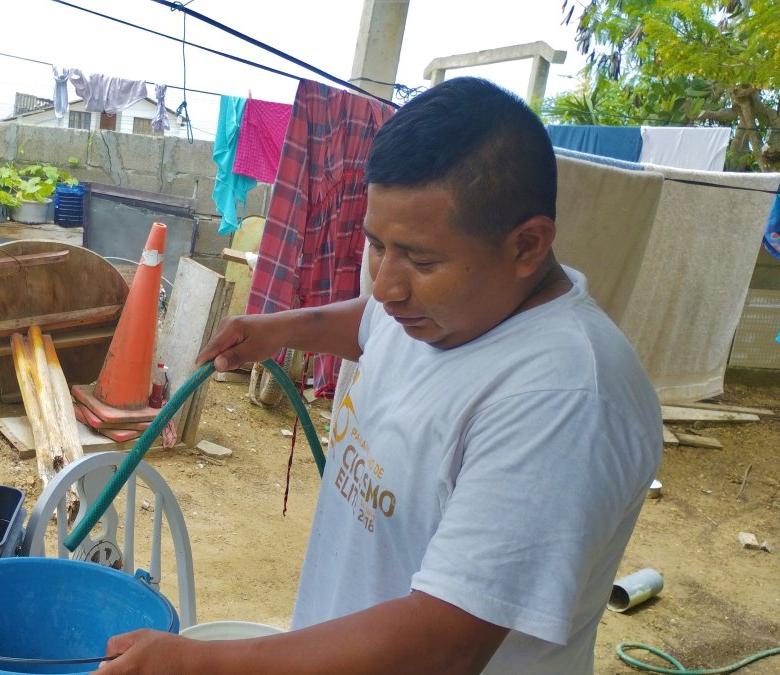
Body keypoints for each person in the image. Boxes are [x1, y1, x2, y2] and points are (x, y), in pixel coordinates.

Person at [98, 77, 662, 674]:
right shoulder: (445, 308)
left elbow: (444, 644)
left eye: (420, 260)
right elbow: (372, 324)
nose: (387, 286)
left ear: (527, 245)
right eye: (376, 246)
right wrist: (284, 328)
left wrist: (200, 665)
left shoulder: (565, 399)